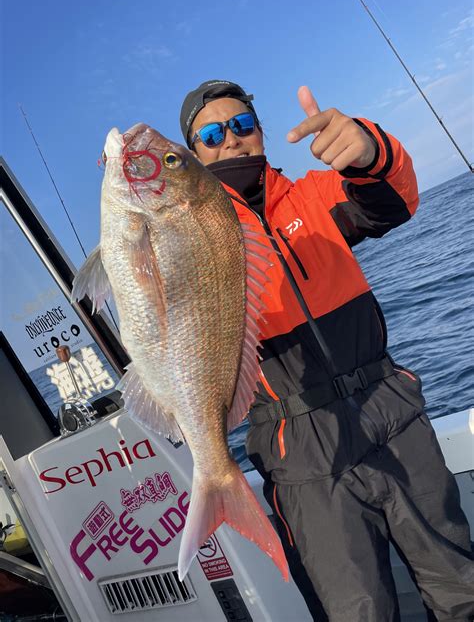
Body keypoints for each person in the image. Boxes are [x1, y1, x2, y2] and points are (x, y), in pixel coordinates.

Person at [179, 80, 474, 622]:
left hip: (392, 413)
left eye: (242, 126)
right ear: (195, 156)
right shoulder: (195, 246)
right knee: (357, 613)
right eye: (213, 134)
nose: (232, 141)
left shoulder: (315, 195)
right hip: (300, 450)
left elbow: (391, 202)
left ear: (262, 134)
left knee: (462, 589)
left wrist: (369, 152)